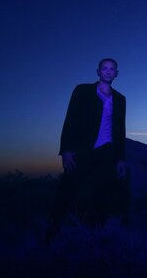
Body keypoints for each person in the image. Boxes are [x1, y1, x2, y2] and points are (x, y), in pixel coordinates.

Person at [45, 58, 127, 244]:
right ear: (97, 71)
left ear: (117, 74)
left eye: (112, 69)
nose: (108, 71)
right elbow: (70, 120)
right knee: (66, 190)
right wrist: (66, 149)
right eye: (104, 68)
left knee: (101, 194)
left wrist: (121, 159)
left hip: (107, 153)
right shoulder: (82, 91)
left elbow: (120, 129)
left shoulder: (120, 99)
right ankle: (51, 233)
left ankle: (94, 235)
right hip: (82, 151)